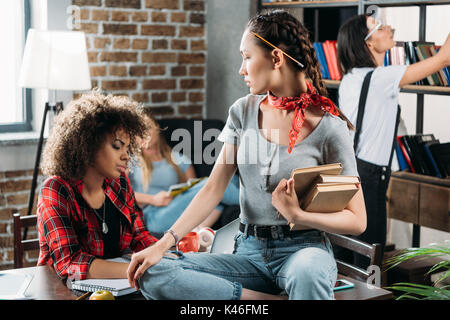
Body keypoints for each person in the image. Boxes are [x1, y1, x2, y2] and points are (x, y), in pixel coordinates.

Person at [127, 10, 367, 300]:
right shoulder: (243, 111)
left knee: (307, 274)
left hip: (304, 251)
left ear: (276, 58)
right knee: (152, 272)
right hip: (248, 254)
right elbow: (213, 188)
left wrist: (298, 214)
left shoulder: (329, 127)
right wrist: (162, 245)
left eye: (247, 57)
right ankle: (262, 301)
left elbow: (357, 220)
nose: (241, 69)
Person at [337, 14, 450, 266]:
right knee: (369, 260)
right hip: (370, 178)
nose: (389, 28)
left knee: (351, 256)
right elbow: (444, 59)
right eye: (378, 27)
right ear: (367, 43)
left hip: (353, 171)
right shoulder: (382, 78)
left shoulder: (350, 78)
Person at [37, 91, 158, 281]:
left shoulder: (120, 183)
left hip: (114, 289)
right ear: (88, 145)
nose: (126, 156)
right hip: (63, 291)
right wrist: (140, 270)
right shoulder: (56, 189)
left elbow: (139, 236)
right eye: (117, 146)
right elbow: (70, 263)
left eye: (127, 148)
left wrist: (168, 255)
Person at [129, 120, 240, 238]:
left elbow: (194, 190)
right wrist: (153, 199)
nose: (143, 135)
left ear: (157, 129)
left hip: (177, 208)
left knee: (230, 179)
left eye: (146, 129)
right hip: (151, 216)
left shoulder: (177, 157)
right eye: (138, 132)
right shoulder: (132, 160)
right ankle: (256, 205)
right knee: (214, 184)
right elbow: (121, 193)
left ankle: (198, 231)